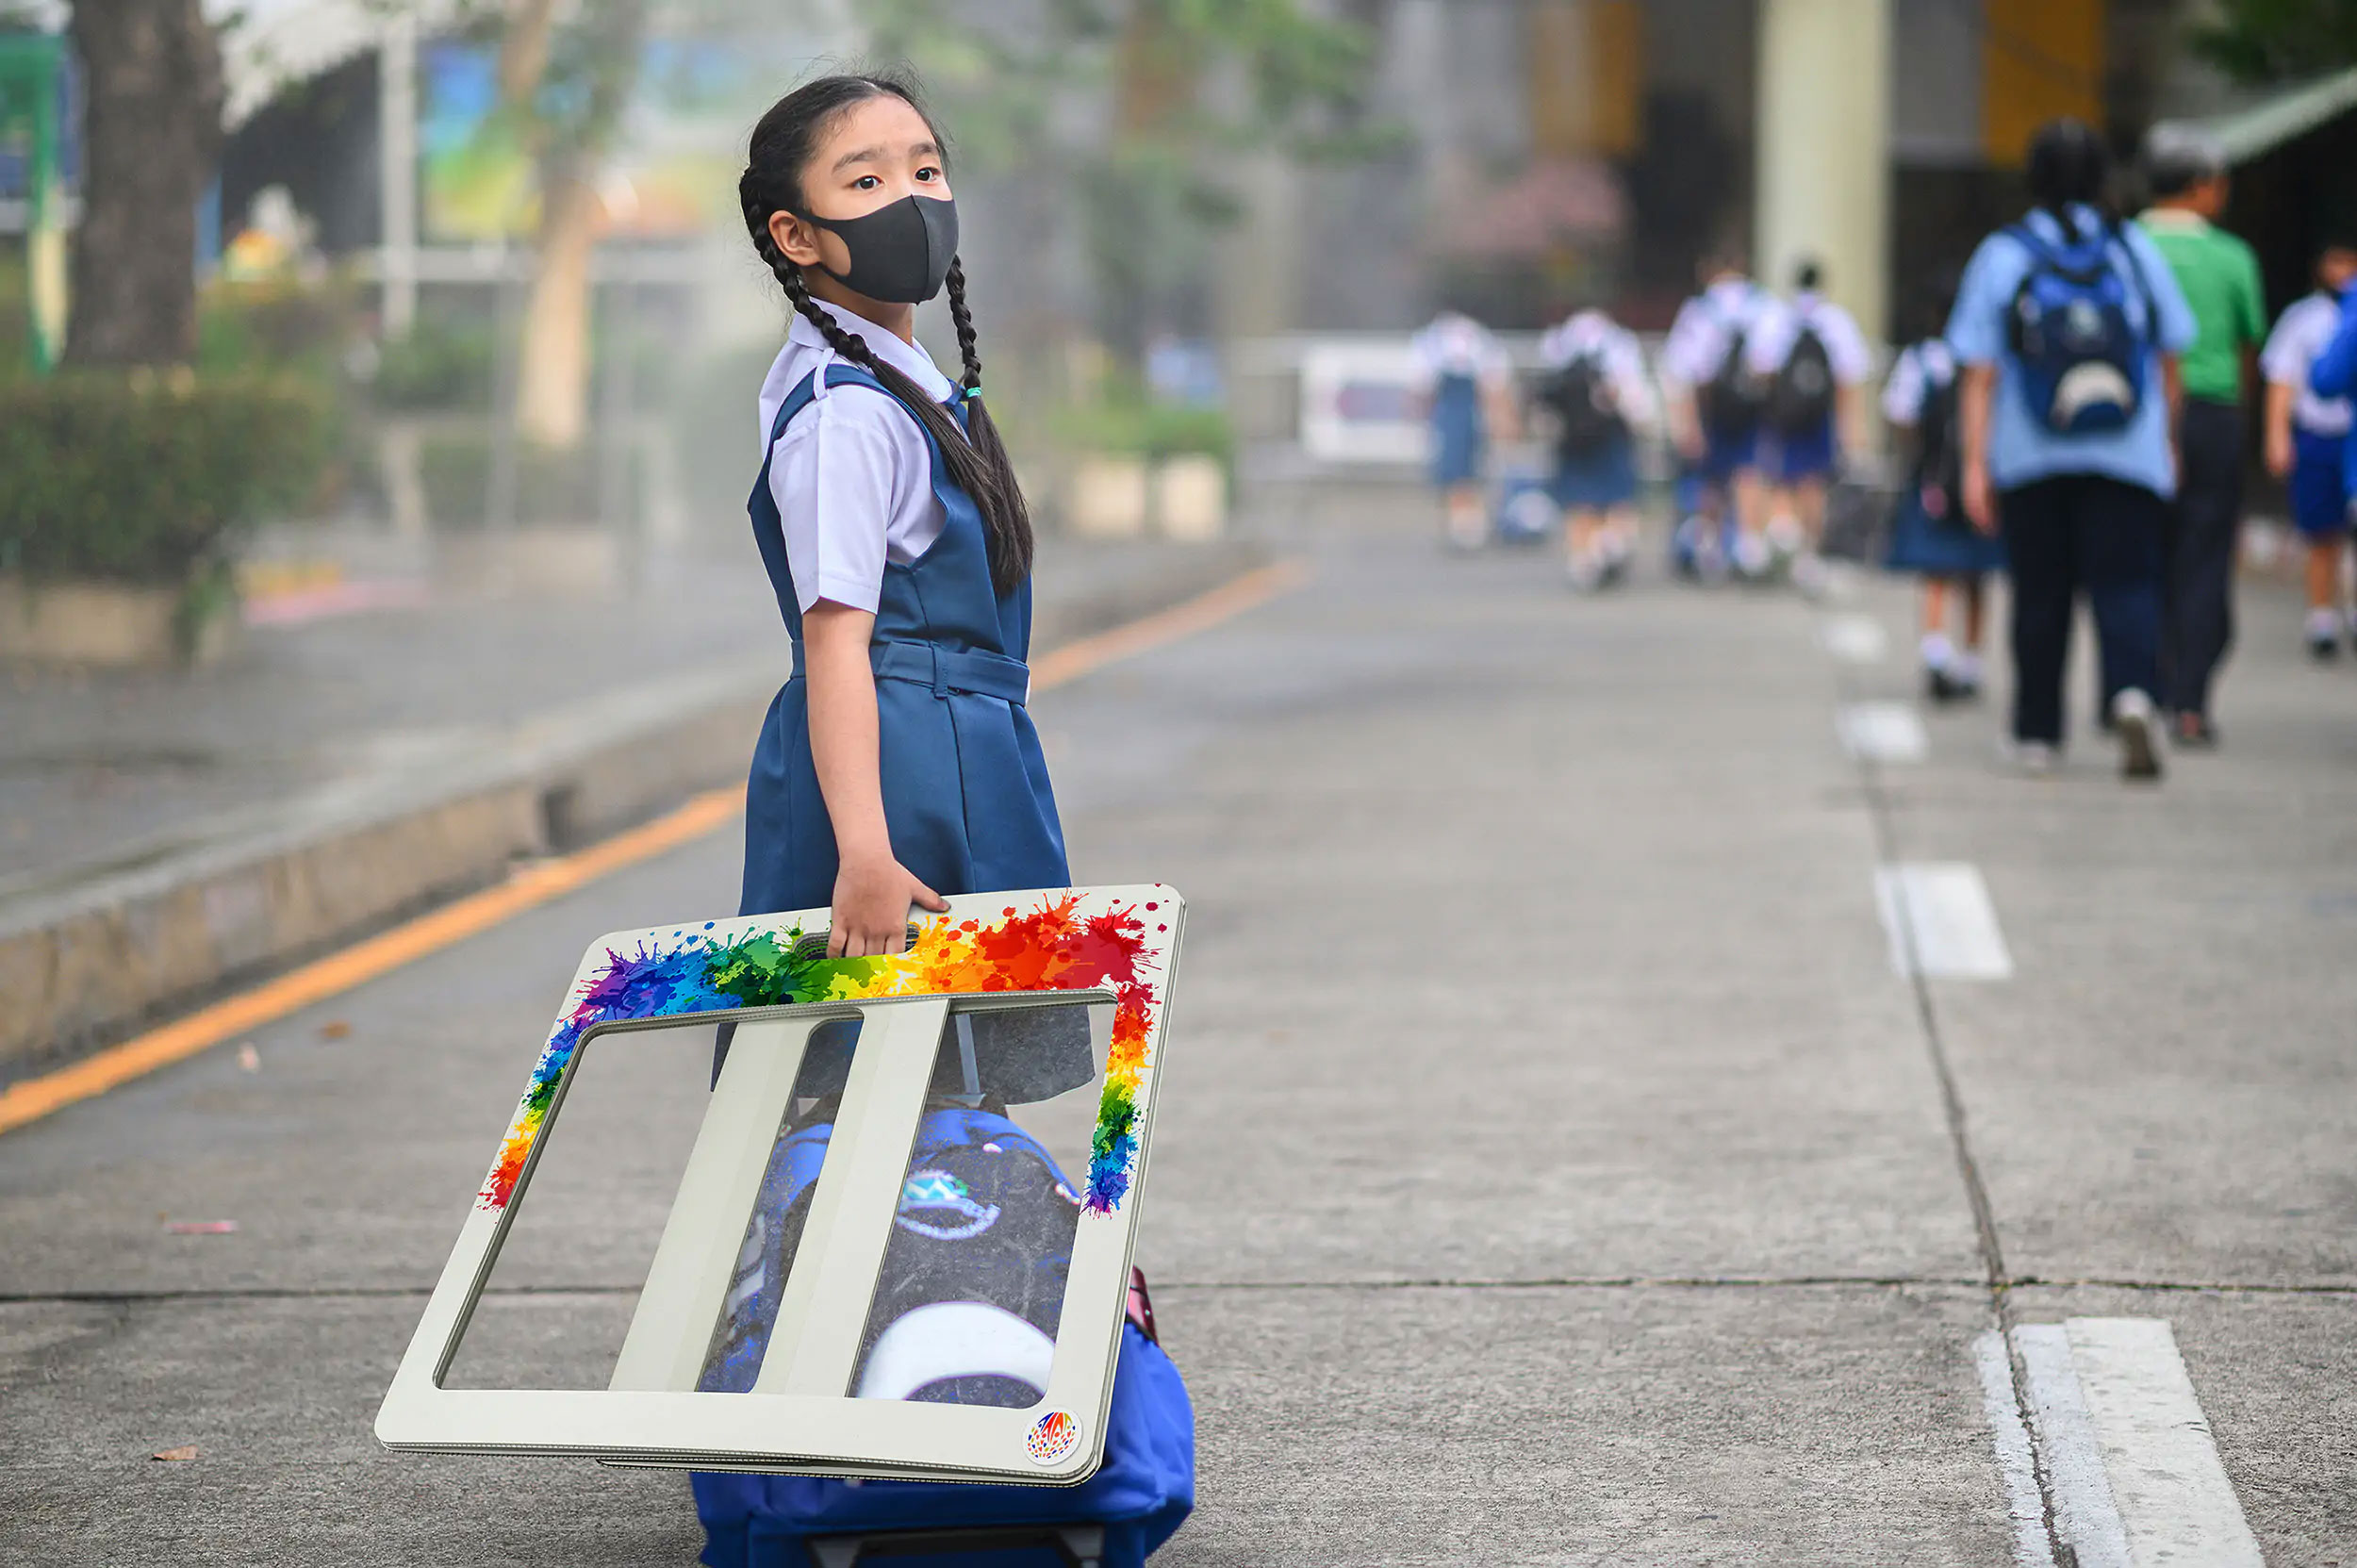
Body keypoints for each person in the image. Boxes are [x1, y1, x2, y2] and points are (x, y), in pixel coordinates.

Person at [713, 72, 1193, 1568]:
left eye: (924, 164)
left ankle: (936, 1397)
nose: (914, 197)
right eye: (866, 182)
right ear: (796, 235)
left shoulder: (905, 380)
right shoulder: (842, 412)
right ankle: (888, 1430)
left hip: (953, 750)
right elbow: (836, 639)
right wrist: (863, 841)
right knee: (873, 1086)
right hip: (899, 770)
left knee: (933, 1095)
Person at [1950, 117, 2197, 782]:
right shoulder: (2132, 248)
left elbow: (1979, 370)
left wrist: (1975, 463)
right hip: (2128, 451)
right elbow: (2172, 351)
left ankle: (2038, 731)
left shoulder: (2004, 254)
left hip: (2031, 454)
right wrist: (2168, 441)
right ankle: (2133, 694)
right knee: (2127, 585)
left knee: (2040, 594)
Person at [2136, 124, 2266, 746]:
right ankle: (2189, 703)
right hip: (2211, 415)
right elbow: (2248, 349)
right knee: (2205, 556)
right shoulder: (2232, 256)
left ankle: (2138, 688)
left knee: (2142, 554)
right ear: (2198, 186)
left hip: (2134, 420)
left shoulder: (2126, 245)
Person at [1884, 272, 2003, 701]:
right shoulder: (1989, 358)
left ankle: (1936, 653)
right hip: (1983, 482)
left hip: (1933, 481)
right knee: (1976, 576)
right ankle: (1971, 662)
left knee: (1936, 572)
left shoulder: (1920, 359)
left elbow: (1901, 415)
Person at [1747, 257, 1873, 594]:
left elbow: (1760, 368)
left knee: (1778, 480)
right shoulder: (1835, 320)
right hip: (1820, 417)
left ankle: (1779, 530)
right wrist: (1852, 429)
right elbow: (1850, 378)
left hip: (1781, 416)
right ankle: (1807, 553)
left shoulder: (1776, 317)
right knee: (1814, 484)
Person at [2261, 236, 2357, 657]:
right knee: (2323, 530)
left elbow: (2327, 377)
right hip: (2319, 436)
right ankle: (2322, 615)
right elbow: (2287, 380)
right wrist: (2277, 436)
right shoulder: (2305, 317)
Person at [1661, 248, 1773, 577]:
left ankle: (1711, 547)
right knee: (1750, 472)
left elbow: (1680, 371)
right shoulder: (1764, 306)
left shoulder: (1699, 310)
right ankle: (1751, 546)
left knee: (1710, 479)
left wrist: (1686, 424)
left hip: (1710, 408)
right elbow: (1772, 363)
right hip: (1755, 409)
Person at [1535, 301, 1658, 589]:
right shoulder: (1618, 340)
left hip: (1572, 435)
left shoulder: (1559, 340)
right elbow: (1632, 392)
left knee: (1579, 500)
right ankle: (1609, 545)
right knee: (1617, 496)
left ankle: (1583, 560)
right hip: (1611, 431)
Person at [1409, 308, 1517, 552]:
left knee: (1463, 469)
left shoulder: (1435, 341)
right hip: (1456, 412)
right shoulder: (1470, 339)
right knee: (1458, 469)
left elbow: (1421, 389)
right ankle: (1465, 524)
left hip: (1462, 412)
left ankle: (1468, 525)